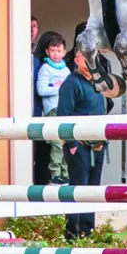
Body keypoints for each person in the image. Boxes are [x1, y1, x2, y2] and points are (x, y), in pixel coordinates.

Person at [56, 48, 109, 241]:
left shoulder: (97, 82)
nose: (89, 62)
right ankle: (72, 231)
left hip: (98, 143)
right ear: (77, 60)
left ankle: (88, 231)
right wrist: (71, 143)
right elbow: (63, 114)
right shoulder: (71, 84)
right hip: (79, 143)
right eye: (85, 58)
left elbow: (106, 105)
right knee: (78, 186)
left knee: (93, 188)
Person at [36, 31, 71, 184]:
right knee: (56, 143)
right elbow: (41, 90)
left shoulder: (66, 70)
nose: (55, 54)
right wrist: (59, 88)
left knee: (66, 142)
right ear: (47, 51)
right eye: (52, 50)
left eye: (59, 50)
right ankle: (55, 172)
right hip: (52, 110)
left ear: (64, 52)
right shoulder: (45, 69)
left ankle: (65, 171)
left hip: (65, 110)